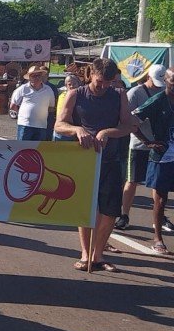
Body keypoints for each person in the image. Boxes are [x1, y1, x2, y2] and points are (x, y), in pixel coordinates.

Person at [55, 58, 133, 272]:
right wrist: (77, 130)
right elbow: (59, 125)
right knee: (87, 209)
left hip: (110, 159)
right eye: (100, 82)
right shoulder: (76, 94)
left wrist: (107, 132)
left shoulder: (118, 95)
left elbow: (128, 125)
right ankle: (86, 254)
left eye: (109, 82)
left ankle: (98, 255)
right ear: (91, 75)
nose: (104, 86)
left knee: (109, 211)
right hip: (85, 161)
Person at [116, 64, 166, 231]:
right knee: (132, 181)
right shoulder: (135, 93)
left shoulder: (164, 92)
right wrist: (145, 140)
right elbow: (127, 120)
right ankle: (124, 215)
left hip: (159, 145)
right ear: (148, 77)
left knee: (158, 183)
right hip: (138, 145)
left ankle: (159, 216)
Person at [131, 66, 174, 254]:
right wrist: (147, 142)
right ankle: (157, 238)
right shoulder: (157, 100)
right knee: (160, 200)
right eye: (173, 81)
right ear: (165, 80)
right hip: (162, 157)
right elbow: (132, 120)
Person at [10, 65, 55, 141]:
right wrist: (23, 115)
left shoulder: (48, 90)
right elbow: (13, 105)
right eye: (33, 76)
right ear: (29, 78)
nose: (36, 77)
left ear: (42, 77)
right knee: (22, 148)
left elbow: (51, 108)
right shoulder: (22, 89)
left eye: (38, 75)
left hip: (41, 126)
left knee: (38, 150)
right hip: (25, 125)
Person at [52, 74, 81, 141]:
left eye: (74, 83)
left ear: (78, 84)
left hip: (76, 131)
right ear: (66, 86)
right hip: (63, 131)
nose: (72, 86)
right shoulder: (63, 96)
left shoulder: (81, 96)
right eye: (69, 84)